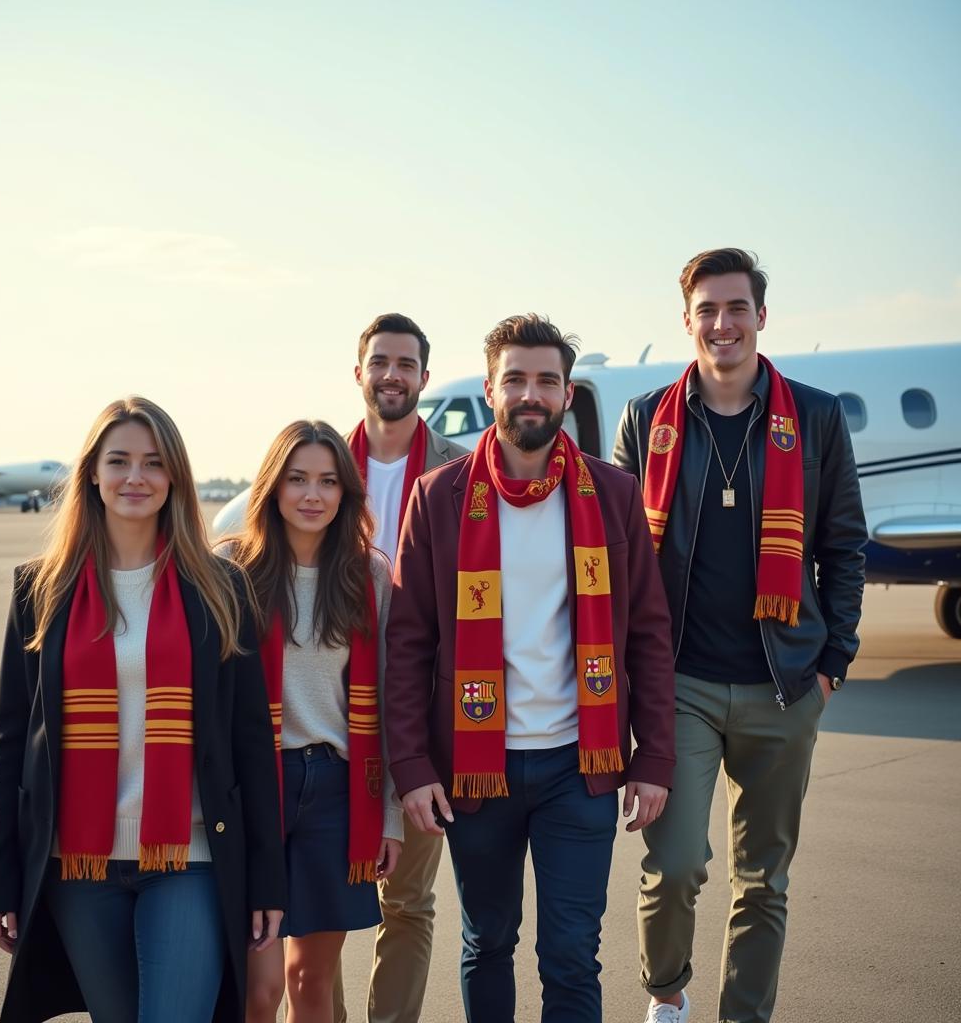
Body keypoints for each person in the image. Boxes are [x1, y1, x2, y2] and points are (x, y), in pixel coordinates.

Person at [384, 314, 676, 1023]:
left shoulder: (612, 494)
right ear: (490, 390)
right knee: (487, 942)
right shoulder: (440, 497)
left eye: (546, 380)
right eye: (515, 379)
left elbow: (647, 633)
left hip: (581, 766)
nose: (530, 394)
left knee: (571, 952)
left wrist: (655, 758)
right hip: (475, 769)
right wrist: (413, 768)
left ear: (567, 394)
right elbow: (408, 644)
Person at [612, 248, 867, 1023]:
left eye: (736, 307)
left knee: (764, 878)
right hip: (679, 684)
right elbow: (620, 556)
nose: (722, 324)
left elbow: (843, 545)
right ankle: (668, 996)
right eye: (707, 310)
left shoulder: (816, 417)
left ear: (761, 315)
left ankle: (744, 1014)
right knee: (677, 864)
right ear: (687, 321)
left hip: (783, 683)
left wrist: (832, 664)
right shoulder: (646, 418)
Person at [0, 396, 286, 1023]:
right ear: (92, 473)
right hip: (77, 863)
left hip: (190, 857)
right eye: (118, 461)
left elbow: (252, 743)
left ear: (174, 475)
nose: (135, 478)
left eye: (153, 462)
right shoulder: (42, 590)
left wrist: (267, 880)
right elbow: (11, 740)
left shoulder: (221, 589)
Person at [226, 420, 404, 1023]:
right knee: (260, 988)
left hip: (336, 790)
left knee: (311, 982)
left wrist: (390, 817)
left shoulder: (368, 575)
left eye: (328, 481)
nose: (312, 495)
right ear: (273, 487)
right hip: (257, 787)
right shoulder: (232, 572)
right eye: (297, 478)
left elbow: (388, 700)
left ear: (346, 494)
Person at [345, 312, 467, 1023]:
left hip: (426, 711)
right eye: (380, 361)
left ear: (424, 376)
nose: (392, 375)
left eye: (406, 364)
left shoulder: (459, 468)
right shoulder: (323, 461)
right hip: (333, 707)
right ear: (358, 370)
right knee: (318, 896)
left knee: (409, 901)